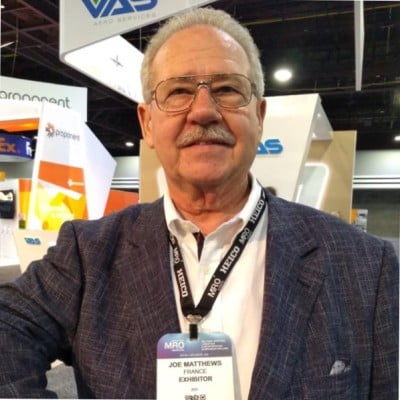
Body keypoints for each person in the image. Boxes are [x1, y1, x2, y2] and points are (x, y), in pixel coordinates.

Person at [0, 7, 398, 400]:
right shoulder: (88, 255)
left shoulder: (365, 266)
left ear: (260, 116)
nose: (204, 111)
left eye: (227, 89)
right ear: (147, 123)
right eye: (178, 91)